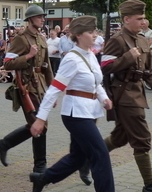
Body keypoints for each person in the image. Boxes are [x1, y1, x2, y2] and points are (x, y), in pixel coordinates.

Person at [29, 16, 114, 192]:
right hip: (75, 114)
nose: (94, 35)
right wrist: (40, 118)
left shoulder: (90, 55)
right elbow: (54, 90)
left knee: (78, 156)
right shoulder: (71, 59)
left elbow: (96, 83)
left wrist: (103, 98)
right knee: (100, 154)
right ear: (78, 35)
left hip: (89, 112)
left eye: (95, 32)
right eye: (90, 32)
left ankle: (43, 178)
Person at [100, 0, 152, 192]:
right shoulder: (117, 40)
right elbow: (104, 68)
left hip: (137, 93)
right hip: (124, 95)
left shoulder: (142, 40)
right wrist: (128, 57)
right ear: (127, 19)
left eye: (144, 18)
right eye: (140, 18)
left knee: (120, 137)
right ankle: (150, 184)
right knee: (142, 138)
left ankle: (89, 158)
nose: (143, 22)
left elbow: (149, 70)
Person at [0, 5, 53, 175]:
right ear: (30, 19)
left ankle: (5, 144)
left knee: (37, 124)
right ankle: (39, 165)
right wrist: (28, 56)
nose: (42, 19)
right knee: (39, 123)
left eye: (43, 17)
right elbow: (7, 64)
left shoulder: (41, 38)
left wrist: (52, 89)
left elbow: (47, 66)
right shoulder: (21, 38)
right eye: (39, 16)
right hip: (27, 86)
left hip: (40, 85)